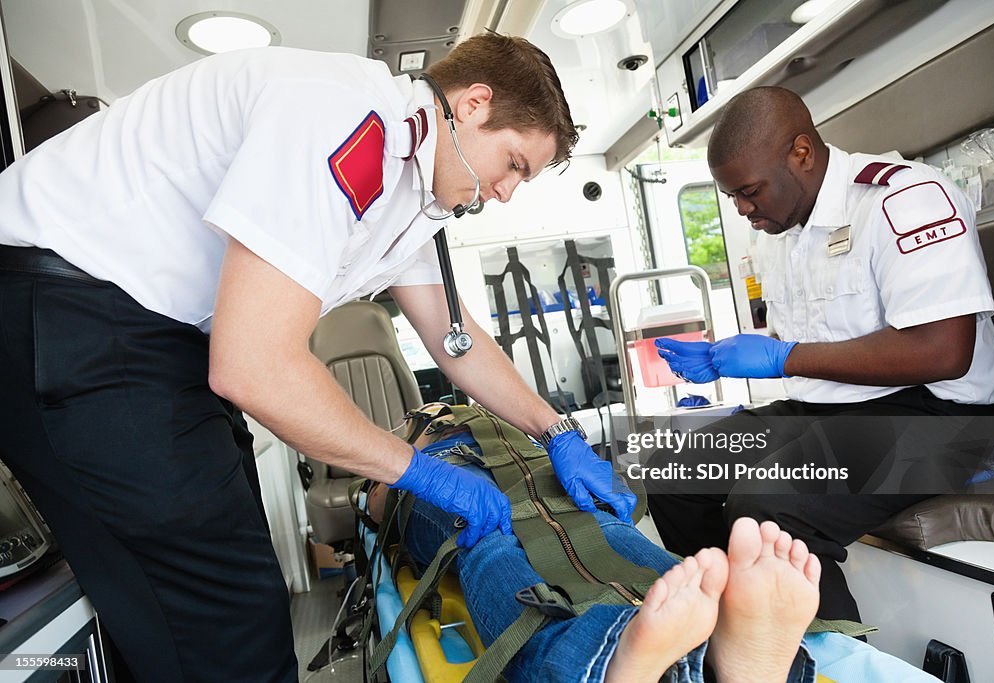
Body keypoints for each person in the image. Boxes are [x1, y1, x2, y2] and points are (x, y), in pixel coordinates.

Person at [0, 34, 633, 682]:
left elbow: (455, 337)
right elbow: (253, 365)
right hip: (72, 312)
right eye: (514, 165)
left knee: (221, 608)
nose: (504, 192)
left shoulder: (408, 192)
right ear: (474, 103)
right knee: (231, 623)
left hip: (148, 336)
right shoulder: (343, 118)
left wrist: (556, 431)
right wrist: (418, 470)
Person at [650, 86, 994, 623]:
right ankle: (727, 625)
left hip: (937, 416)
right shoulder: (781, 230)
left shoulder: (901, 199)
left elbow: (943, 351)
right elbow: (823, 345)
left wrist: (781, 358)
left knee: (767, 508)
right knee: (674, 473)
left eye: (749, 191)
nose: (743, 209)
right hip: (831, 408)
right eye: (733, 198)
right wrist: (737, 355)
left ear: (801, 152)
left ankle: (829, 658)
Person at [366, 420, 943, 682]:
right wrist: (413, 468)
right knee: (494, 545)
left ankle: (701, 646)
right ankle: (680, 649)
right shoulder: (404, 438)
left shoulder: (516, 421)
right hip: (443, 482)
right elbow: (378, 500)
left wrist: (563, 445)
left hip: (543, 474)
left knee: (603, 535)